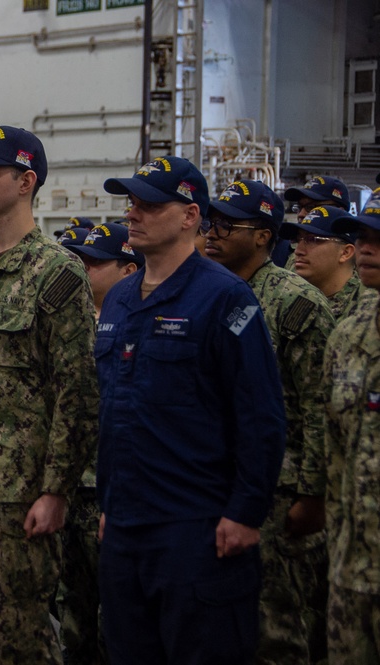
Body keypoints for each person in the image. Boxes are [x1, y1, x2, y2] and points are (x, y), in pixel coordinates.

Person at [96, 157, 287, 665]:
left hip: (197, 529)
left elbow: (260, 413)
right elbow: (114, 411)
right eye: (131, 202)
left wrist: (246, 513)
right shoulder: (117, 300)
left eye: (149, 204)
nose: (132, 214)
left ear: (188, 216)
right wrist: (110, 506)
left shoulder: (224, 297)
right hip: (125, 526)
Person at [0, 125, 98, 663]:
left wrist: (55, 490)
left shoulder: (56, 271)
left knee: (23, 640)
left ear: (26, 180)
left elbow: (75, 391)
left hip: (23, 492)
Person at [203, 179, 335, 664]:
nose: (211, 233)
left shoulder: (295, 303)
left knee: (276, 629)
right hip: (220, 487)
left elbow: (321, 405)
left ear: (262, 236)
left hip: (281, 495)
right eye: (209, 222)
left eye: (226, 225)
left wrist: (312, 494)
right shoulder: (211, 293)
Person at [59, 222, 144, 665]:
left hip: (112, 489)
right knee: (73, 601)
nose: (82, 269)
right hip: (73, 483)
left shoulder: (140, 325)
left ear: (128, 270)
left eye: (93, 263)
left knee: (117, 604)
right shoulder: (72, 321)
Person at [322, 207, 380, 664]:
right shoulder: (348, 334)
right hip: (352, 568)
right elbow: (335, 451)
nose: (367, 247)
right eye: (362, 236)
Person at [279, 204, 377, 320]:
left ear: (345, 253)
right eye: (297, 240)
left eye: (312, 240)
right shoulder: (287, 297)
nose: (298, 251)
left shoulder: (367, 308)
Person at [69, 221, 144, 317]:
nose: (83, 266)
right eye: (82, 259)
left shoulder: (140, 318)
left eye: (96, 260)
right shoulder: (70, 312)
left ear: (128, 271)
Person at [280, 176, 351, 268]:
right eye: (299, 207)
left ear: (340, 210)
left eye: (311, 207)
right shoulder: (286, 247)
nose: (300, 214)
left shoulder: (358, 256)